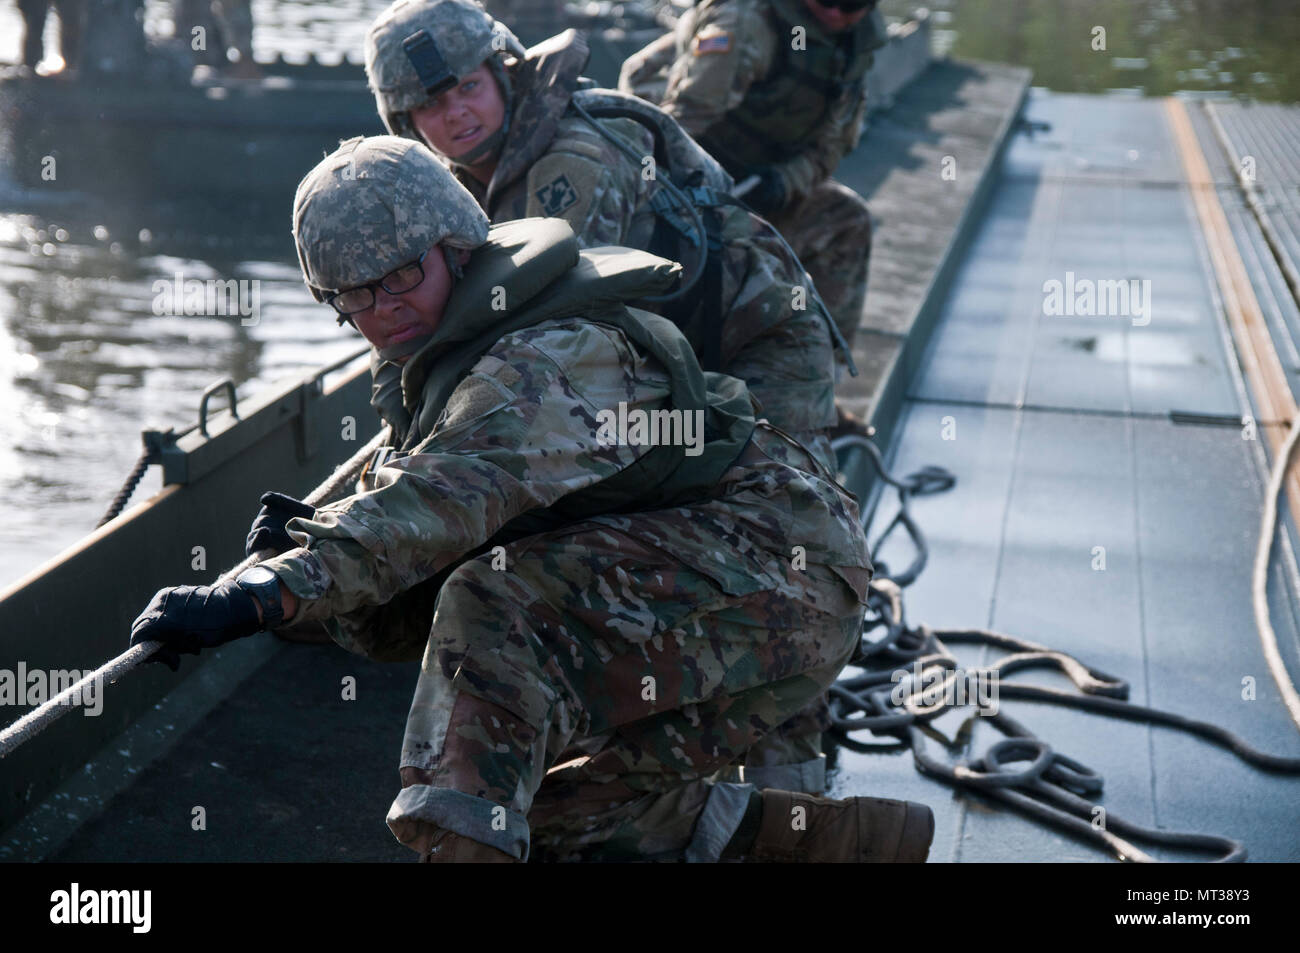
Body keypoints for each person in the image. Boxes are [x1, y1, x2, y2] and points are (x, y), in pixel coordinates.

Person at [128, 135, 934, 863]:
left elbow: (436, 503)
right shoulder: (444, 368)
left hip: (778, 572)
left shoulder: (544, 359)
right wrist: (303, 583)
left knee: (495, 600)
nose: (383, 309)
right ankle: (840, 844)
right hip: (710, 583)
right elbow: (409, 578)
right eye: (353, 296)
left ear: (458, 246)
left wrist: (261, 590)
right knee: (547, 813)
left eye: (401, 275)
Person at [363, 0, 845, 471]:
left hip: (757, 342)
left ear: (504, 73)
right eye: (430, 104)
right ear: (405, 121)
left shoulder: (573, 161)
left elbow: (547, 338)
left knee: (783, 515)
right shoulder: (462, 182)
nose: (455, 113)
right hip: (667, 355)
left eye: (470, 87)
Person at [622, 0, 887, 357]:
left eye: (852, 4)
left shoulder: (854, 40)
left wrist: (783, 181)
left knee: (848, 218)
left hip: (757, 185)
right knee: (710, 268)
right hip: (684, 181)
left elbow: (832, 145)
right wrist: (703, 200)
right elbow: (672, 131)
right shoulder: (746, 21)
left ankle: (820, 379)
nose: (836, 13)